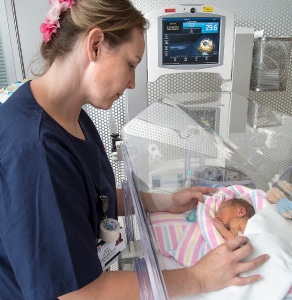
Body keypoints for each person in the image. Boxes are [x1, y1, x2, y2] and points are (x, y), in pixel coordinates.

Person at [0, 0, 269, 299]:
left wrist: (160, 201)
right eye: (130, 64)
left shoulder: (67, 114)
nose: (132, 82)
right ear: (96, 45)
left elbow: (89, 198)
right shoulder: (35, 152)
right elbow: (81, 294)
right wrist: (199, 278)